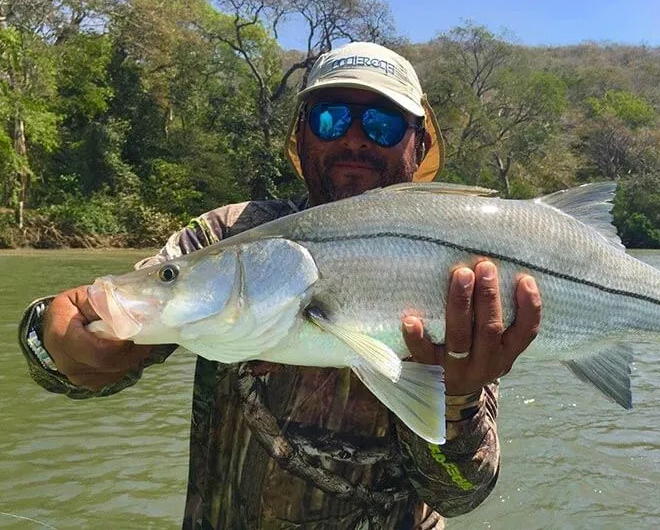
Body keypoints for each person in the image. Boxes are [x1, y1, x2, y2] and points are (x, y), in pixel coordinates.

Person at [18, 42, 542, 529]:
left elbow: (459, 493)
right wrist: (54, 337)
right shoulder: (229, 236)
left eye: (382, 123)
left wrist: (458, 398)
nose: (354, 138)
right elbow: (90, 353)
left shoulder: (468, 259)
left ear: (419, 142)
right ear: (300, 135)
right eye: (330, 117)